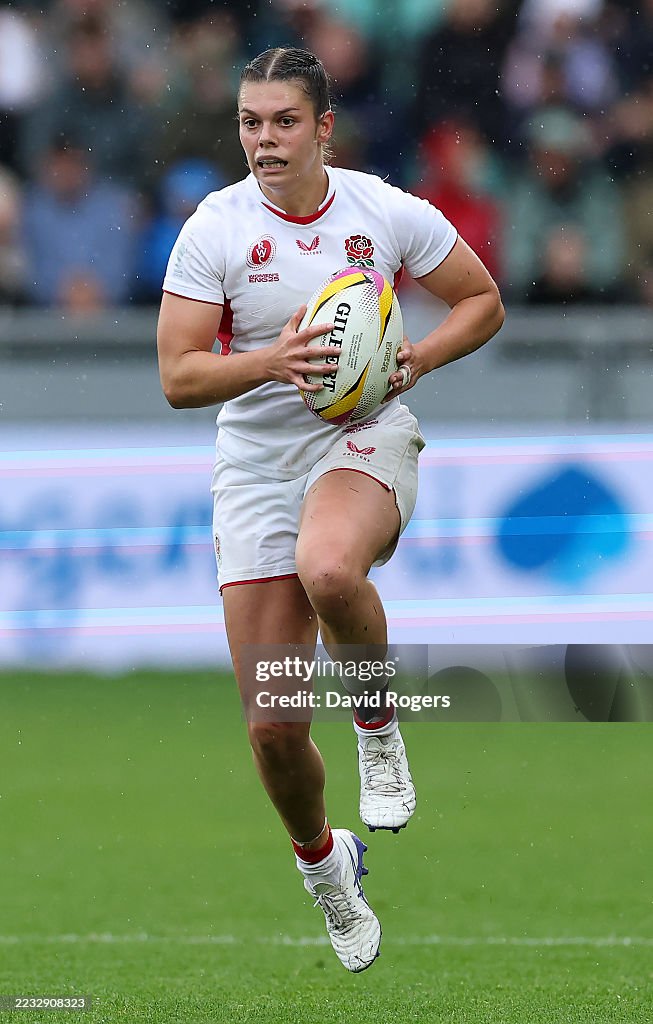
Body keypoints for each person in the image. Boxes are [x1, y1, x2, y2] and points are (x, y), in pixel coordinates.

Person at [157, 47, 504, 973]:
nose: (263, 142)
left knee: (329, 567)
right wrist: (271, 361)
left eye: (281, 122)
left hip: (364, 434)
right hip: (258, 465)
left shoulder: (383, 211)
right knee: (272, 729)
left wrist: (416, 358)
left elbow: (482, 300)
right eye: (249, 123)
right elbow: (178, 375)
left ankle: (378, 732)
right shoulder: (215, 228)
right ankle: (326, 868)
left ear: (323, 129)